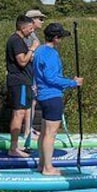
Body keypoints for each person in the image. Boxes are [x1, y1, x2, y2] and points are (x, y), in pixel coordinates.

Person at [32, 23, 83, 175]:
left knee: (44, 133)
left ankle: (42, 165)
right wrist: (73, 83)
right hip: (52, 96)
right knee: (51, 134)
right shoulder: (51, 54)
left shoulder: (39, 50)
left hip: (42, 95)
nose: (61, 40)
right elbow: (51, 77)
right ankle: (48, 168)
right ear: (55, 38)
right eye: (60, 37)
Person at [6, 15, 39, 157]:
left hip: (25, 81)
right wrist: (32, 49)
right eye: (30, 29)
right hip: (19, 82)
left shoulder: (19, 41)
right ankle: (13, 148)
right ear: (22, 27)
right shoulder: (16, 41)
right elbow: (22, 62)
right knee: (18, 113)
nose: (31, 32)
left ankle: (19, 144)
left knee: (24, 111)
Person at [23, 9, 46, 143]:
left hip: (33, 72)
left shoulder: (33, 36)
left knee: (33, 101)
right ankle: (27, 132)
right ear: (32, 20)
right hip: (28, 72)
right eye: (40, 19)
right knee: (30, 101)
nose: (42, 22)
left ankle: (29, 129)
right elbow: (26, 55)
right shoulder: (29, 36)